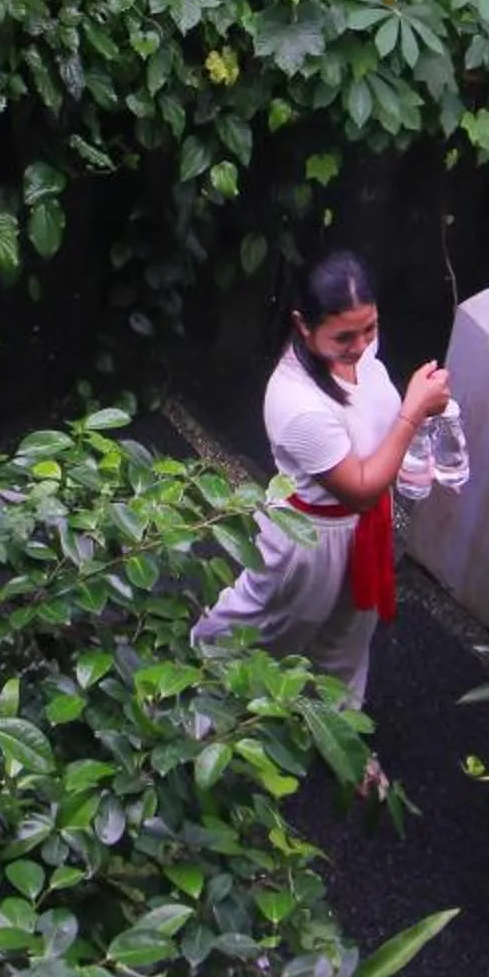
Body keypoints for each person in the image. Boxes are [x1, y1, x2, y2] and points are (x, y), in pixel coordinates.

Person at [191, 250, 451, 736]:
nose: (360, 345)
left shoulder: (361, 351)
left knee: (350, 641)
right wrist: (413, 412)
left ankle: (339, 735)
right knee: (265, 627)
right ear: (303, 327)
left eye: (369, 328)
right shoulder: (296, 402)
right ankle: (188, 698)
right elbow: (357, 488)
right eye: (344, 337)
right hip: (309, 539)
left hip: (365, 529)